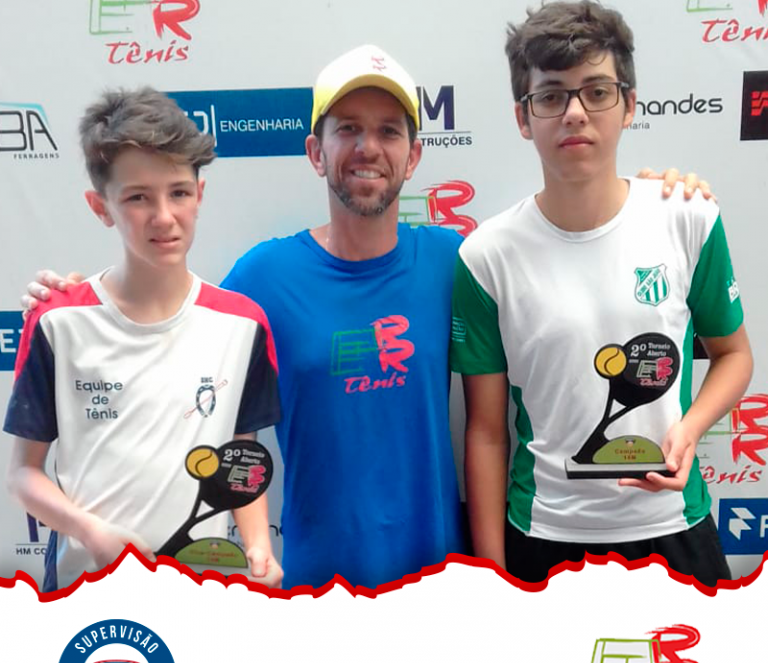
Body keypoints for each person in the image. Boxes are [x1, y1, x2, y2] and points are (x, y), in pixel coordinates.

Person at [20, 46, 713, 591]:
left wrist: (656, 200)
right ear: (315, 151)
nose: (367, 147)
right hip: (314, 585)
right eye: (347, 129)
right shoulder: (263, 278)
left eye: (387, 131)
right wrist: (79, 298)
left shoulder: (459, 260)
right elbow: (169, 322)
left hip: (445, 577)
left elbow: (571, 273)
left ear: (414, 155)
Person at [449, 1, 753, 587]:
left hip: (673, 526)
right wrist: (491, 580)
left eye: (596, 92)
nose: (575, 113)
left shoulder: (688, 218)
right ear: (523, 117)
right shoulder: (486, 256)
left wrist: (689, 430)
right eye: (551, 95)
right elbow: (484, 430)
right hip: (544, 536)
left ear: (629, 105)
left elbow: (734, 355)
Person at [4, 87, 282, 592]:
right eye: (138, 197)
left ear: (200, 195)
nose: (164, 216)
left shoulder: (242, 324)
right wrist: (92, 533)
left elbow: (242, 463)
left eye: (178, 192)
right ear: (101, 206)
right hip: (85, 591)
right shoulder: (58, 321)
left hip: (198, 594)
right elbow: (23, 474)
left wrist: (259, 548)